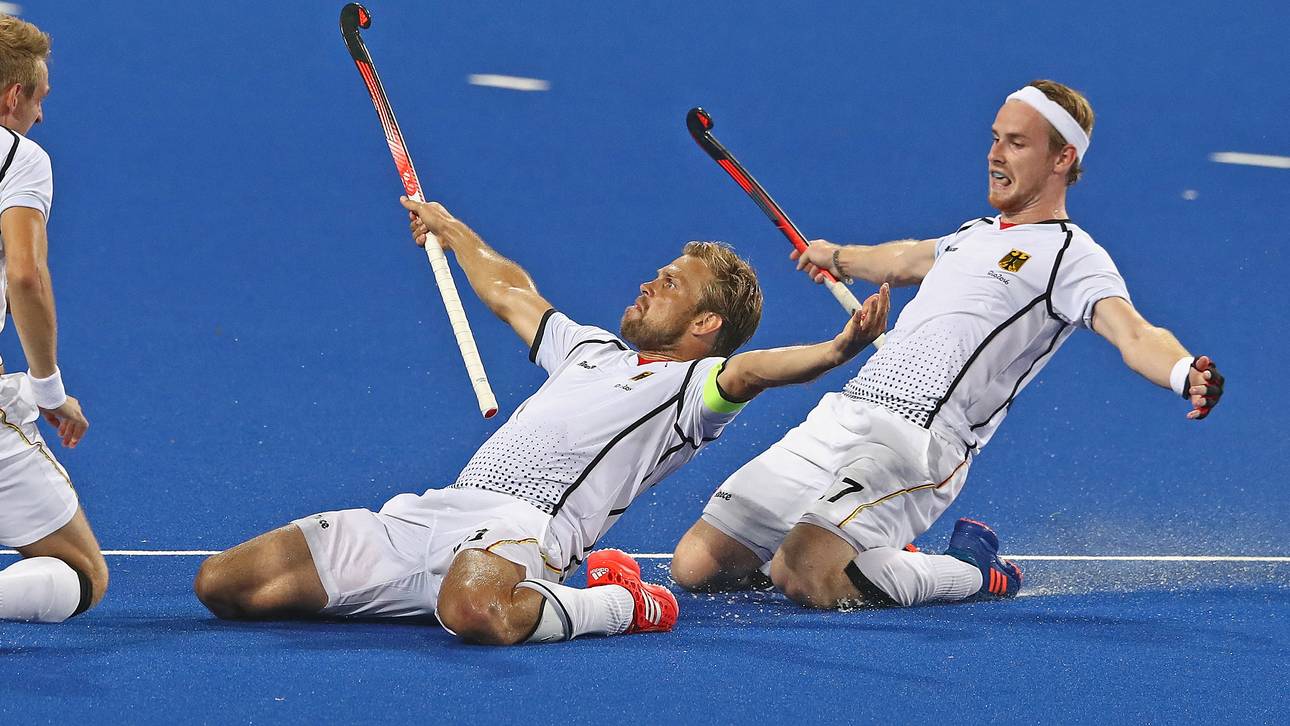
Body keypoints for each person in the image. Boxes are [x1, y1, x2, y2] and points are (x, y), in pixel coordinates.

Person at [193, 195, 890, 644]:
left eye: (671, 283)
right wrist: (450, 227)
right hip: (425, 518)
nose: (650, 282)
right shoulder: (589, 349)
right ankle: (415, 589)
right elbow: (513, 294)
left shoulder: (692, 392)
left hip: (523, 531)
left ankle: (621, 604)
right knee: (224, 585)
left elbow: (757, 369)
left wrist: (836, 349)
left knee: (474, 611)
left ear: (707, 324)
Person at [671, 79, 1226, 609]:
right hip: (842, 416)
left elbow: (1132, 331)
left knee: (805, 573)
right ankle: (868, 552)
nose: (996, 154)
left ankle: (974, 571)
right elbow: (906, 258)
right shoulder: (974, 234)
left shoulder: (1072, 256)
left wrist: (1182, 371)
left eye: (1016, 143)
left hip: (918, 445)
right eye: (994, 138)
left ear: (1062, 160)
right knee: (696, 566)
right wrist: (835, 256)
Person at [0, 15, 103, 623]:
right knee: (82, 571)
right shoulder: (19, 158)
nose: (40, 114)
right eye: (39, 98)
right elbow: (26, 277)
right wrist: (46, 388)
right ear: (15, 96)